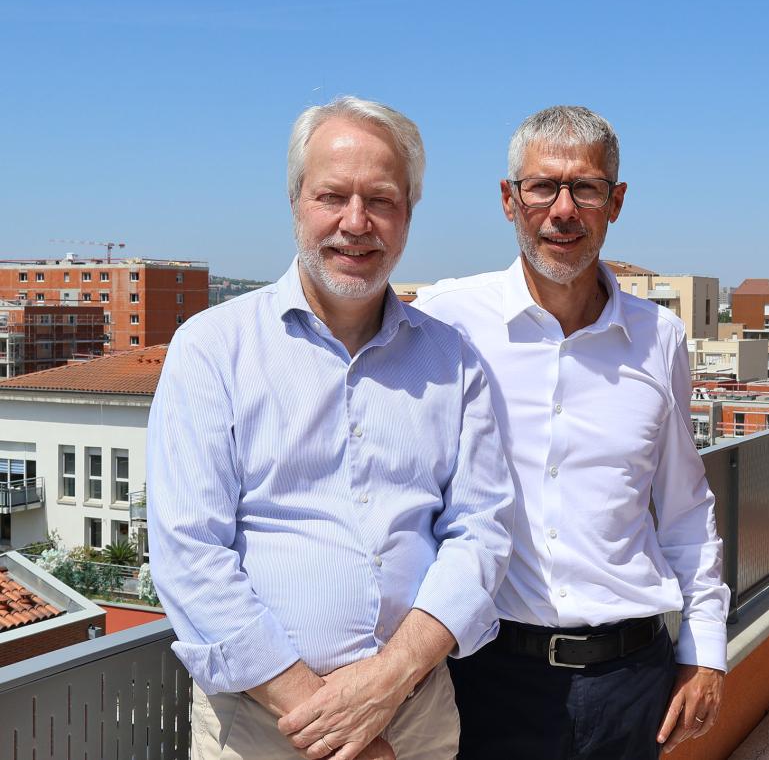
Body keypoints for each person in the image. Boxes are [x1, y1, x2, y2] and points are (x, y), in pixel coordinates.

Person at [147, 96, 514, 760]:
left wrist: (385, 686)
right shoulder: (211, 349)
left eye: (381, 199)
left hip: (416, 718)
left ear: (408, 214)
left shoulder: (454, 362)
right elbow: (189, 556)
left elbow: (482, 533)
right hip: (260, 730)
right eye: (332, 196)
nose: (356, 222)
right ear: (295, 203)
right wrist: (330, 721)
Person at [415, 105, 730, 760]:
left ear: (614, 202)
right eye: (542, 187)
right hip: (485, 674)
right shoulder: (448, 321)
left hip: (632, 680)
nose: (563, 210)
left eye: (585, 188)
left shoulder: (659, 338)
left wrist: (706, 651)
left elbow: (685, 509)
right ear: (509, 200)